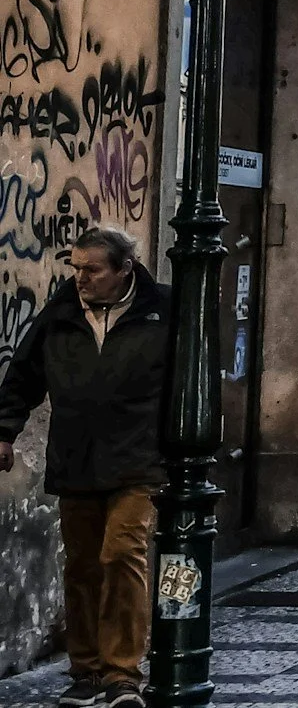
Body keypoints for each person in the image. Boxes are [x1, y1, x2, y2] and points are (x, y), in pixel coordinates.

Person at [0, 227, 171, 707]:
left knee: (121, 555)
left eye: (91, 269)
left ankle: (122, 673)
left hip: (138, 459)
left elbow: (187, 380)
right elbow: (25, 373)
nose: (80, 278)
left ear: (124, 269)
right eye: (75, 268)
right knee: (81, 566)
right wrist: (4, 430)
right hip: (76, 456)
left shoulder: (163, 310)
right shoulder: (62, 312)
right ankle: (86, 670)